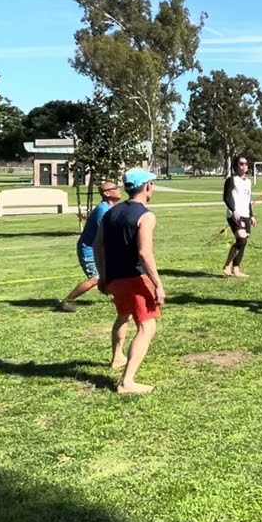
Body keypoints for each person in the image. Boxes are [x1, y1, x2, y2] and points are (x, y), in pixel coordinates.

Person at [95, 168, 165, 395]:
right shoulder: (146, 216)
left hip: (115, 278)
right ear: (147, 186)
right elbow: (145, 254)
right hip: (134, 278)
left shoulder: (110, 213)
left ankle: (117, 358)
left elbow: (97, 246)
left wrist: (103, 276)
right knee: (147, 326)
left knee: (123, 315)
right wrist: (158, 284)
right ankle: (127, 382)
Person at [56, 179, 122, 313]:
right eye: (115, 188)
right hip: (89, 249)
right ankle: (67, 301)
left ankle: (119, 297)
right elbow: (105, 235)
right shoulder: (103, 210)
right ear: (107, 193)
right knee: (95, 278)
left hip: (99, 248)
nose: (119, 190)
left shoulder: (109, 208)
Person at [222, 155, 256, 278]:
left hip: (246, 214)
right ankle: (227, 265)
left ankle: (236, 269)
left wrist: (252, 215)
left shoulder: (248, 182)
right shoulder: (232, 180)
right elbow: (226, 197)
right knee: (241, 238)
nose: (244, 166)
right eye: (241, 163)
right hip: (235, 214)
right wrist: (233, 210)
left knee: (243, 242)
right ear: (236, 166)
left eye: (246, 163)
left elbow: (248, 200)